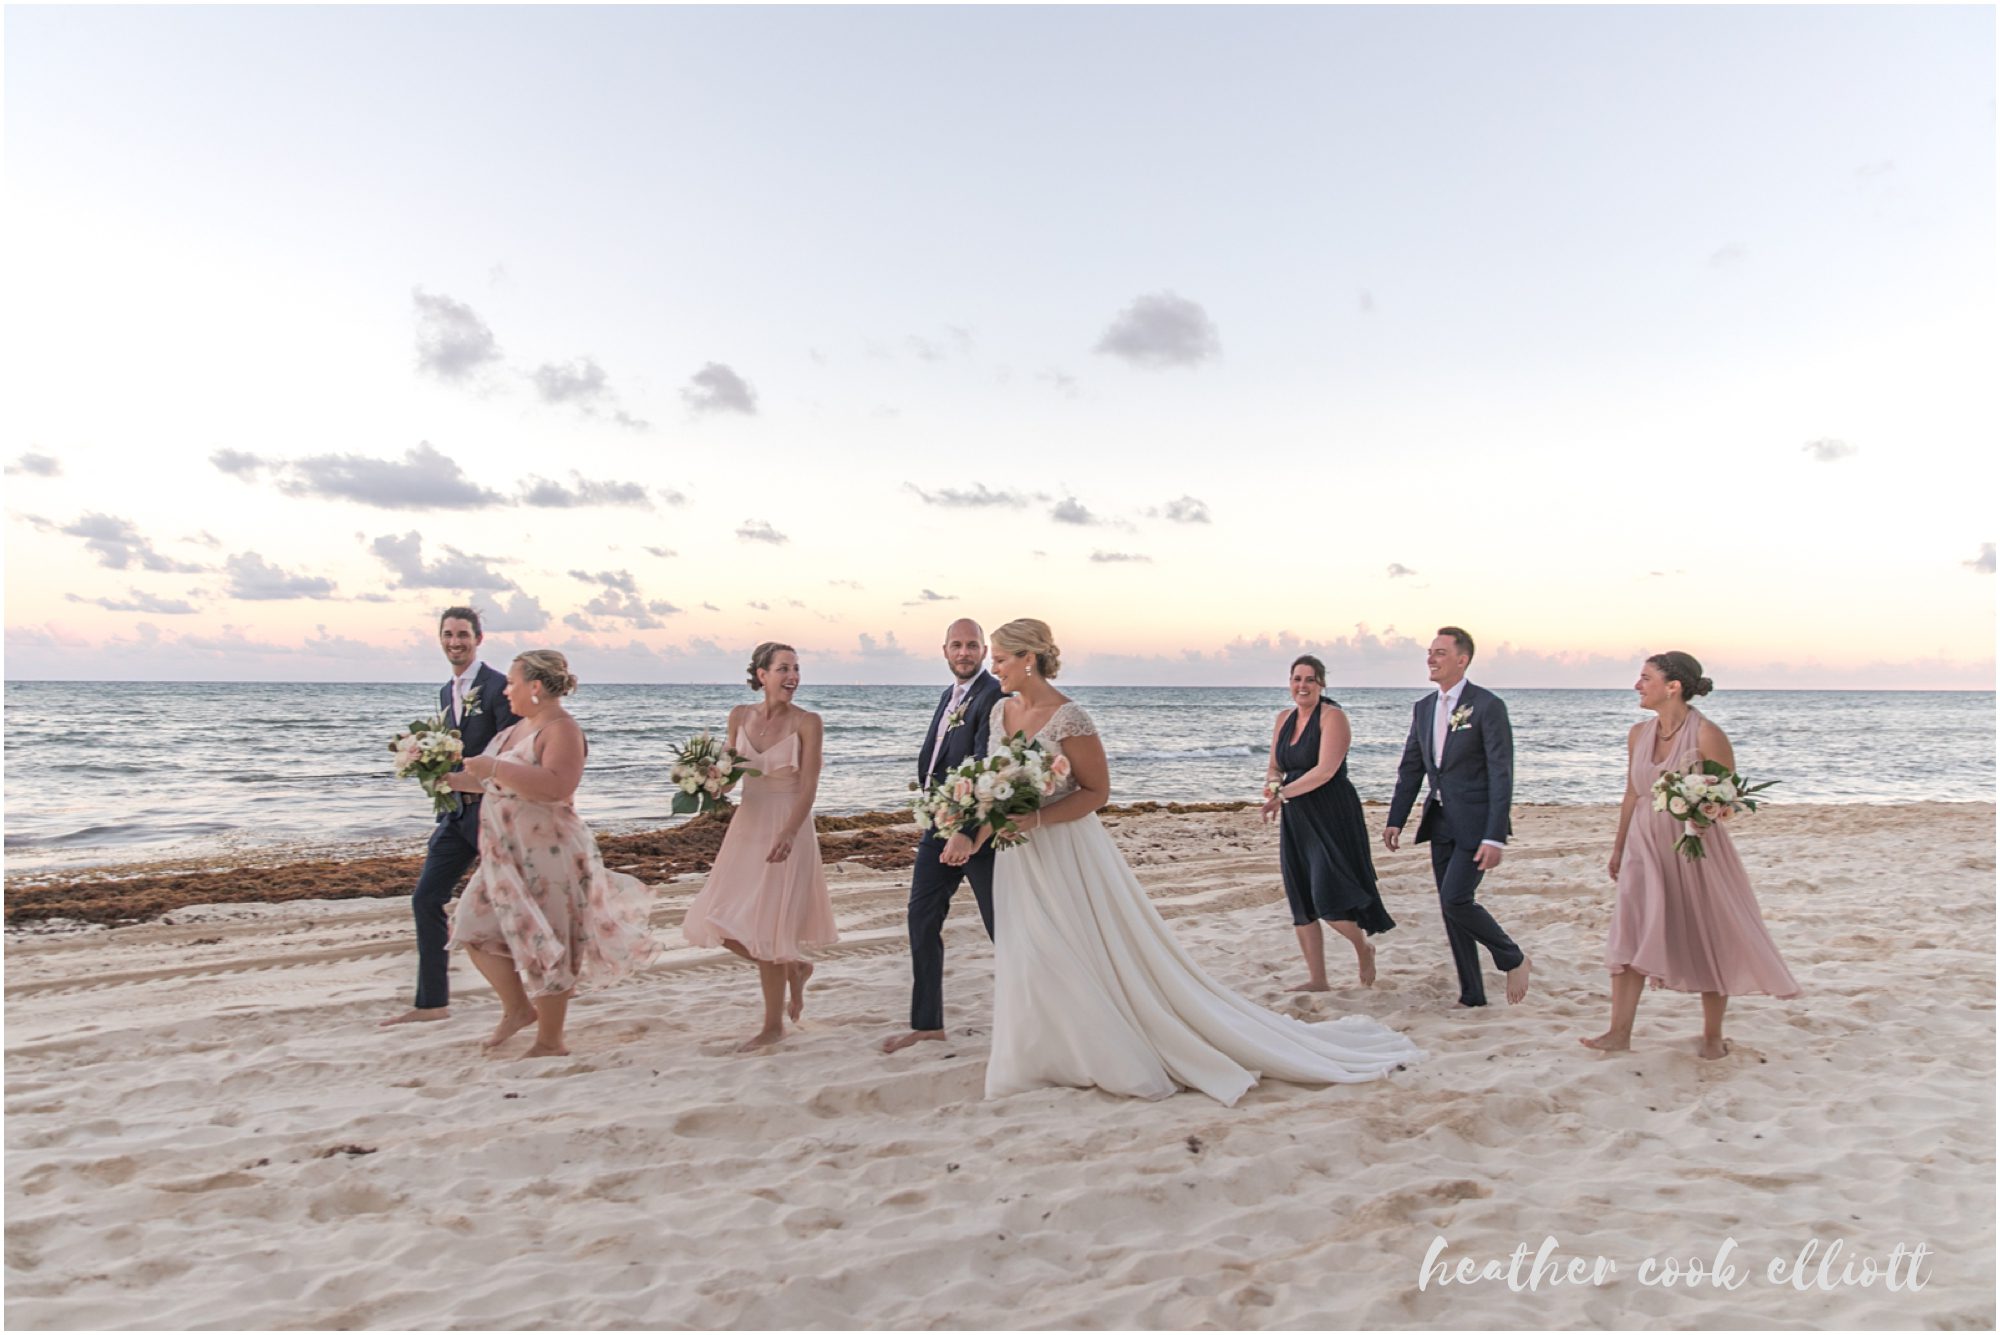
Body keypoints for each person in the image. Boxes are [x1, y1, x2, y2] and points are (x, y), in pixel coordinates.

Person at [941, 619, 1420, 1106]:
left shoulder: (1069, 717)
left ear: (1028, 659)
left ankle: (1100, 1051)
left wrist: (1038, 819)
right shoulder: (1000, 711)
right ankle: (1042, 1054)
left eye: (1000, 658)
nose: (993, 667)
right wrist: (972, 832)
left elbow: (1097, 792)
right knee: (1027, 951)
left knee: (1072, 949)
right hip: (1018, 858)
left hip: (1066, 853)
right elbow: (993, 789)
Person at [442, 651, 660, 1057]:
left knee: (550, 940)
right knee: (472, 927)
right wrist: (446, 779)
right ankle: (518, 1010)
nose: (505, 690)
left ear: (536, 687)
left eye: (512, 683)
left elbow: (557, 785)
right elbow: (492, 782)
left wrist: (493, 768)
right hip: (504, 853)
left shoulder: (562, 729)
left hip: (549, 852)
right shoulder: (516, 729)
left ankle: (550, 1040)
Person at [1583, 652, 1800, 1059]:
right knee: (1630, 926)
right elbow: (1632, 793)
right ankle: (1618, 1032)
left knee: (1708, 931)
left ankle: (1712, 1037)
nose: (1637, 685)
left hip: (1692, 849)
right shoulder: (1638, 734)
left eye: (1645, 678)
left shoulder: (1707, 735)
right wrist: (1619, 846)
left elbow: (1727, 799)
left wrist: (1701, 817)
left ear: (1673, 687)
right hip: (1643, 844)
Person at [682, 642, 838, 1051]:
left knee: (767, 926)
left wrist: (789, 832)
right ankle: (795, 966)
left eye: (796, 668)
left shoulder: (808, 722)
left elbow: (809, 786)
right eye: (784, 668)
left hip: (789, 827)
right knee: (717, 917)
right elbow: (730, 777)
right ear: (761, 674)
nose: (793, 677)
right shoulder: (739, 716)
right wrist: (707, 783)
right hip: (747, 825)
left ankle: (773, 1026)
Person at [380, 606, 518, 1027]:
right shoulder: (446, 692)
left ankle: (544, 991)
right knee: (426, 898)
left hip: (491, 814)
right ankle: (432, 1003)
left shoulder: (499, 688)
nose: (454, 642)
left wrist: (464, 779)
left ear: (478, 639)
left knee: (518, 903)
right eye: (448, 634)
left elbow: (512, 755)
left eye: (462, 635)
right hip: (455, 816)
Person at [1383, 626, 1531, 1008]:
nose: (1431, 659)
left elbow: (1501, 773)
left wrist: (1494, 836)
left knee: (1456, 899)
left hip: (1477, 823)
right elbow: (1411, 768)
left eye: (1440, 653)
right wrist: (1396, 818)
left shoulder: (1487, 706)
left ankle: (1512, 957)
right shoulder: (1423, 708)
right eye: (1430, 652)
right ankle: (1472, 994)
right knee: (1451, 910)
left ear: (1462, 660)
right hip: (1439, 821)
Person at [884, 619, 1004, 1054]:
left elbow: (987, 768)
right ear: (945, 650)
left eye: (972, 645)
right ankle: (927, 1025)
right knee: (921, 918)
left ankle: (1038, 1017)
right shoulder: (948, 696)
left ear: (984, 651)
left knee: (1002, 927)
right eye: (957, 645)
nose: (964, 653)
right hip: (937, 825)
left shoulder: (994, 695)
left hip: (977, 833)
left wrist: (968, 833)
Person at [1260, 654, 1395, 991]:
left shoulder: (1333, 717)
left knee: (1327, 898)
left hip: (1331, 814)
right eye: (1297, 679)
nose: (1302, 685)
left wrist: (1282, 793)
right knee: (1300, 898)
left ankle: (1363, 948)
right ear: (1290, 683)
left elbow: (1325, 771)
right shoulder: (1283, 719)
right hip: (1296, 815)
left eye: (1310, 679)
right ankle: (1318, 979)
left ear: (1321, 684)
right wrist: (1273, 786)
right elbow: (1275, 766)